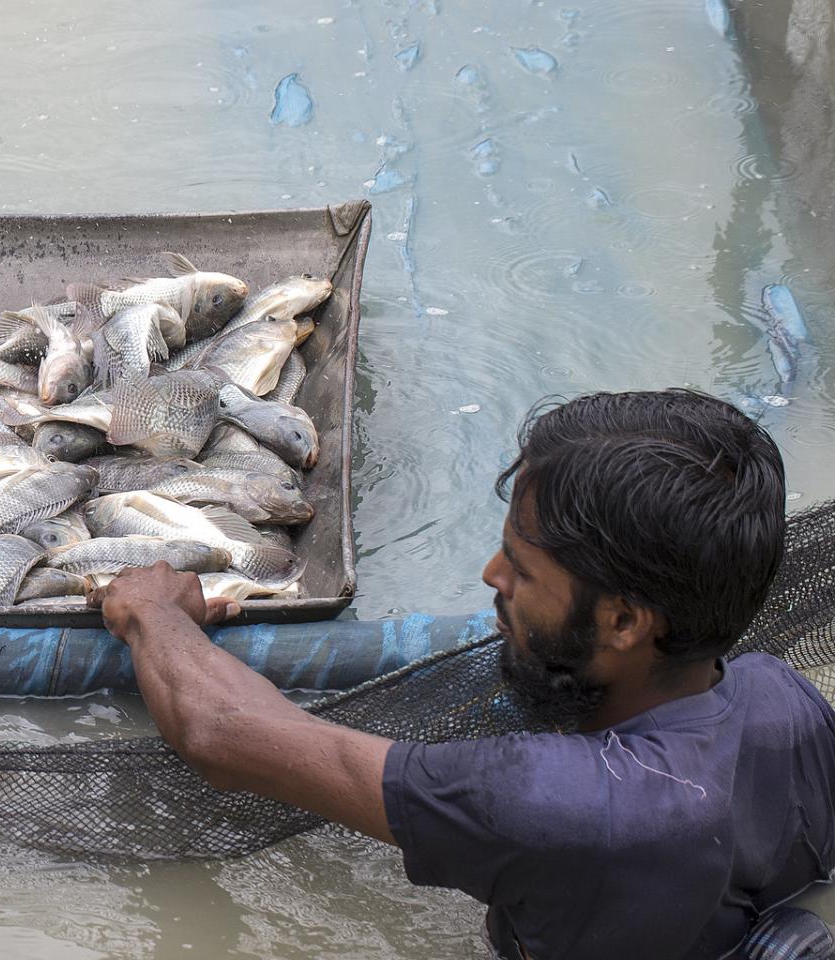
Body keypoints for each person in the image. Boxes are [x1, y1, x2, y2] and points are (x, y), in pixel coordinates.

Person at [91, 389, 835, 959]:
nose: (490, 575)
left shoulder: (551, 801)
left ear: (624, 623)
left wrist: (155, 616)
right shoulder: (781, 695)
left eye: (522, 565)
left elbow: (222, 733)